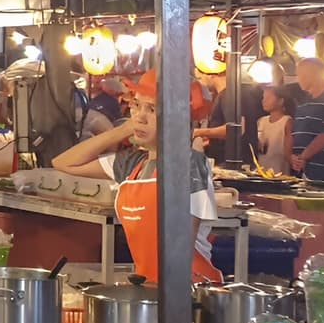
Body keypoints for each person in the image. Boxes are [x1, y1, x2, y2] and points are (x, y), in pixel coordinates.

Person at [52, 70, 221, 283]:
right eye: (137, 106)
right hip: (151, 285)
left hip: (189, 289)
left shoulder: (190, 164)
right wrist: (122, 130)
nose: (140, 117)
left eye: (152, 109)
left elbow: (181, 250)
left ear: (177, 118)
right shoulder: (131, 164)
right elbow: (64, 163)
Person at [257, 83, 299, 174]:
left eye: (268, 98)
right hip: (261, 172)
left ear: (280, 101)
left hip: (279, 173)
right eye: (263, 98)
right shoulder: (261, 121)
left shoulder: (286, 121)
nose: (264, 101)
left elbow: (288, 153)